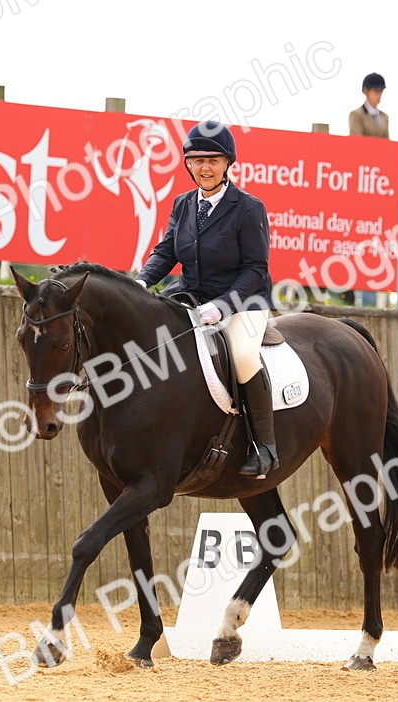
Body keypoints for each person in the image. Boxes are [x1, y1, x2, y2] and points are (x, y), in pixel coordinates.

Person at [135, 121, 279, 479]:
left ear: (228, 162)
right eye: (196, 160)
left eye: (212, 160)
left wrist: (222, 306)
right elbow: (166, 252)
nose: (204, 168)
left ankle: (265, 447)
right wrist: (140, 282)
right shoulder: (184, 204)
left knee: (244, 356)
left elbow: (255, 269)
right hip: (192, 295)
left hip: (244, 301)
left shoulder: (248, 208)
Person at [348, 73, 389, 138]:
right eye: (376, 91)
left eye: (381, 91)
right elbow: (356, 141)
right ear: (366, 91)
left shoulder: (385, 117)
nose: (379, 94)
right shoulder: (356, 115)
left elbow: (387, 142)